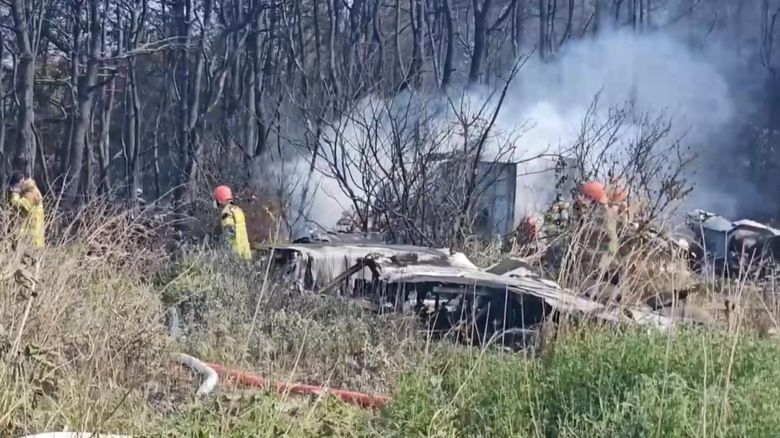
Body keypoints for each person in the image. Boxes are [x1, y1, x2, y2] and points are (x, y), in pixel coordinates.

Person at [213, 185, 252, 260]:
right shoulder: (238, 210)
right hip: (245, 253)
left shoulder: (226, 212)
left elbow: (228, 232)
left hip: (235, 255)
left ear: (220, 199)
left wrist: (223, 251)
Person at [8, 172, 45, 248]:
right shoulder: (30, 189)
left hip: (33, 227)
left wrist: (14, 194)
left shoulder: (30, 192)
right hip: (34, 225)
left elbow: (21, 204)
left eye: (15, 186)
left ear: (21, 181)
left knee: (32, 247)